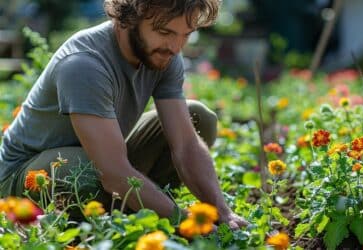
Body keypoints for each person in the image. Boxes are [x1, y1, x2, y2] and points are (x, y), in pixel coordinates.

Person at [0, 0, 248, 229]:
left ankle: (135, 207)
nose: (175, 47)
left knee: (198, 118)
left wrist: (223, 213)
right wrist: (183, 221)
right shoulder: (84, 64)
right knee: (83, 171)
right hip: (27, 177)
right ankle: (124, 213)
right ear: (127, 18)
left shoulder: (164, 53)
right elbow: (114, 172)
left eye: (186, 35)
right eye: (165, 33)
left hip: (105, 162)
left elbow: (185, 145)